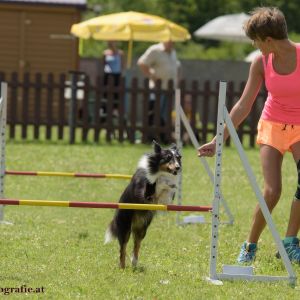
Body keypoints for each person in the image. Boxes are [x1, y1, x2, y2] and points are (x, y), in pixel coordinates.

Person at [198, 7, 300, 264]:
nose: (254, 45)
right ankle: (250, 244)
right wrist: (218, 138)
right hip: (272, 125)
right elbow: (243, 105)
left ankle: (289, 242)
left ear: (268, 39)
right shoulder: (261, 62)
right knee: (272, 191)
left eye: (255, 40)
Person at [137, 41, 181, 142]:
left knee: (164, 115)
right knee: (155, 114)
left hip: (169, 90)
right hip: (157, 89)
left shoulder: (173, 52)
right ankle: (150, 137)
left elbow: (177, 67)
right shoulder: (155, 50)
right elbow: (142, 62)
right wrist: (152, 76)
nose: (172, 42)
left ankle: (163, 137)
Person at [102, 41, 125, 114]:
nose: (112, 44)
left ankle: (115, 110)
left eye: (113, 42)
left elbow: (123, 64)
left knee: (116, 93)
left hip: (117, 74)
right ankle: (104, 109)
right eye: (110, 43)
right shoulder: (105, 53)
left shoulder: (120, 53)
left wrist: (122, 74)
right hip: (107, 74)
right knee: (106, 92)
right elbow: (102, 63)